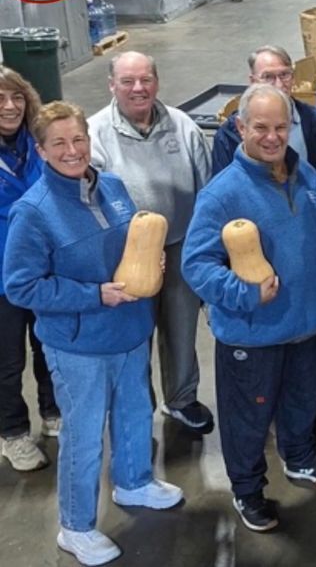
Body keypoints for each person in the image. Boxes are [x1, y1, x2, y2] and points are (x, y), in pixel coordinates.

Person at [5, 101, 183, 566]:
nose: (72, 150)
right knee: (83, 438)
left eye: (78, 139)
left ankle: (134, 482)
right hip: (79, 344)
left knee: (135, 414)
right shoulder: (34, 211)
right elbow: (21, 285)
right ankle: (75, 527)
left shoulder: (115, 189)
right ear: (41, 151)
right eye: (59, 143)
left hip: (130, 330)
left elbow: (131, 249)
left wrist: (152, 264)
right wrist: (94, 295)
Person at [182, 85, 316, 533]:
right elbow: (196, 265)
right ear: (240, 128)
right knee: (247, 421)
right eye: (261, 128)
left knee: (302, 402)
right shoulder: (222, 194)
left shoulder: (304, 174)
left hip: (308, 323)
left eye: (280, 127)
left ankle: (300, 459)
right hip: (253, 334)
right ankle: (247, 490)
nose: (272, 137)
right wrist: (247, 294)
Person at [210, 44, 316, 426]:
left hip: (305, 269)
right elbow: (219, 227)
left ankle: (310, 413)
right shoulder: (227, 152)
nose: (273, 136)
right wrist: (237, 288)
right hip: (258, 271)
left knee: (307, 355)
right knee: (264, 377)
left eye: (283, 74)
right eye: (267, 77)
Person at [87, 51, 214, 432]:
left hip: (179, 244)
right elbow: (91, 201)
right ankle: (137, 404)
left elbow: (207, 189)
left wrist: (204, 247)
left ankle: (181, 398)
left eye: (146, 79)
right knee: (133, 332)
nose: (138, 89)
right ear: (112, 85)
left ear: (157, 82)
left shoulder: (183, 126)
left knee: (181, 326)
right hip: (126, 253)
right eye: (127, 81)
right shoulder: (95, 133)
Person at [0, 67, 59, 472]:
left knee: (48, 346)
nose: (10, 107)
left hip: (44, 268)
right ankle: (13, 434)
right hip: (1, 276)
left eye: (17, 97)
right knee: (7, 362)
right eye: (1, 99)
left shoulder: (37, 143)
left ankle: (54, 413)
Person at [211, 45, 316, 175]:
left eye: (284, 75)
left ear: (293, 78)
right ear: (253, 81)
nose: (278, 84)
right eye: (268, 77)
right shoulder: (228, 135)